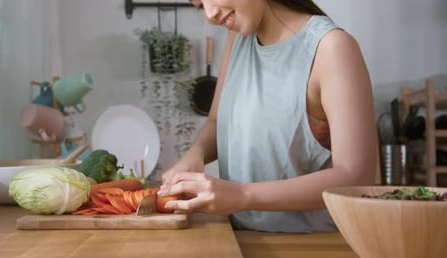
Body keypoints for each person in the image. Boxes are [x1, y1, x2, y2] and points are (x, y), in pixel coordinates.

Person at [158, 0, 377, 232]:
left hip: (312, 249)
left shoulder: (331, 48)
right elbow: (216, 122)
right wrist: (196, 153)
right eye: (200, 5)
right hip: (239, 240)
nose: (210, 14)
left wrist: (242, 195)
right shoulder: (238, 39)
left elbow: (355, 177)